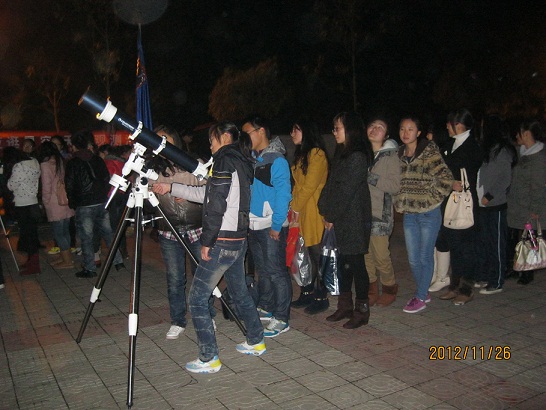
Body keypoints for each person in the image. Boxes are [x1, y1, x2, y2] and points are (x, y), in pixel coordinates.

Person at [153, 122, 265, 374]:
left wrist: (207, 240)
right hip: (238, 238)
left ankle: (209, 357)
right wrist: (172, 187)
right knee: (239, 292)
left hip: (222, 239)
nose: (210, 146)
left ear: (224, 137)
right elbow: (211, 194)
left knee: (196, 298)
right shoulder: (239, 160)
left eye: (212, 140)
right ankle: (256, 340)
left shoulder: (224, 160)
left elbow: (215, 205)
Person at [148, 124, 215, 340]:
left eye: (165, 139)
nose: (161, 144)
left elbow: (211, 189)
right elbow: (147, 198)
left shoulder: (192, 162)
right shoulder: (153, 167)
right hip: (168, 230)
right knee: (175, 278)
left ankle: (207, 314)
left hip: (196, 227)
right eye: (157, 140)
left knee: (202, 275)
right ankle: (177, 320)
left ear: (174, 140)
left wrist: (187, 195)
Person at [319, 111, 372, 329]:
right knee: (343, 264)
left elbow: (345, 191)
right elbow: (331, 184)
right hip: (340, 217)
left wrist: (330, 215)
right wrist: (324, 210)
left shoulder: (357, 156)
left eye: (338, 128)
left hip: (354, 219)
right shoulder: (341, 152)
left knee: (357, 264)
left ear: (351, 130)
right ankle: (345, 305)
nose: (334, 132)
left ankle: (362, 310)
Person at [395, 116, 453, 313]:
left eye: (410, 129)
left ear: (418, 132)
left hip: (429, 213)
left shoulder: (429, 151)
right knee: (413, 258)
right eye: (402, 129)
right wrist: (398, 200)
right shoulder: (399, 154)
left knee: (424, 256)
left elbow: (446, 179)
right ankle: (423, 291)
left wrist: (430, 200)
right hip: (409, 213)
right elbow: (396, 182)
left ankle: (420, 296)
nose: (405, 133)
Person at [242, 116, 292, 338]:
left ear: (261, 131)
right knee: (264, 270)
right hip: (254, 223)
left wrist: (277, 224)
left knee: (277, 271)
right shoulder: (253, 158)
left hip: (271, 223)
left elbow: (284, 195)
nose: (245, 139)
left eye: (248, 133)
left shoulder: (276, 160)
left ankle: (281, 317)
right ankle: (267, 305)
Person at [65, 130, 124, 278]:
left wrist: (72, 202)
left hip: (84, 204)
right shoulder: (97, 159)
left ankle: (90, 268)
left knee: (86, 237)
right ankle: (118, 261)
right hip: (101, 201)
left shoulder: (73, 163)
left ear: (74, 146)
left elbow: (69, 185)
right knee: (108, 233)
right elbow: (106, 178)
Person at [437, 109, 482, 305]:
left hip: (466, 202)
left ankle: (466, 288)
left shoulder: (472, 146)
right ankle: (454, 285)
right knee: (454, 245)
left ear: (460, 125)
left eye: (451, 123)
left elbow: (469, 171)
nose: (447, 126)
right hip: (450, 202)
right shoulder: (450, 144)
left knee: (467, 247)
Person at [289, 119, 329, 314]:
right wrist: (294, 209)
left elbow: (310, 186)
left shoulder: (317, 154)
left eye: (296, 130)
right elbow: (298, 186)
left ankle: (321, 296)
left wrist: (295, 207)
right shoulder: (302, 155)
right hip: (303, 210)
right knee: (303, 255)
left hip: (314, 210)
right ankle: (307, 291)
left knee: (317, 255)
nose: (292, 134)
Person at [475, 115, 516, 294]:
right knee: (484, 242)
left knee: (497, 243)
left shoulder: (502, 151)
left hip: (495, 204)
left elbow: (505, 178)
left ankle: (497, 281)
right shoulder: (487, 149)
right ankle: (486, 275)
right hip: (483, 204)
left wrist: (489, 196)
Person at [365, 117, 401, 307]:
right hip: (361, 211)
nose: (374, 129)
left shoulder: (390, 156)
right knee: (366, 254)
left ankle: (389, 287)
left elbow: (395, 186)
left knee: (381, 255)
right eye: (372, 126)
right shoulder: (362, 153)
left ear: (386, 135)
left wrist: (371, 178)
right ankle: (372, 289)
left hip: (380, 213)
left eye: (380, 127)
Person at [507, 120, 546, 285]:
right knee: (520, 238)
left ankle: (528, 271)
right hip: (518, 204)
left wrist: (535, 208)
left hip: (529, 205)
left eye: (520, 133)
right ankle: (518, 267)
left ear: (527, 134)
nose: (517, 136)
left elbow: (539, 185)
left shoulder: (538, 157)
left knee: (529, 239)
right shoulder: (521, 152)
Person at [37, 141, 75, 269]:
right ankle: (66, 257)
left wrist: (45, 202)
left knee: (59, 233)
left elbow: (46, 187)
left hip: (54, 203)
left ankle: (67, 261)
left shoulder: (45, 165)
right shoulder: (61, 162)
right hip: (65, 201)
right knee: (65, 232)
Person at [6, 148, 41, 275]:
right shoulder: (34, 162)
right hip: (33, 202)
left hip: (22, 204)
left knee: (27, 234)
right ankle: (31, 261)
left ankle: (34, 266)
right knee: (32, 234)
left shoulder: (18, 166)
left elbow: (11, 185)